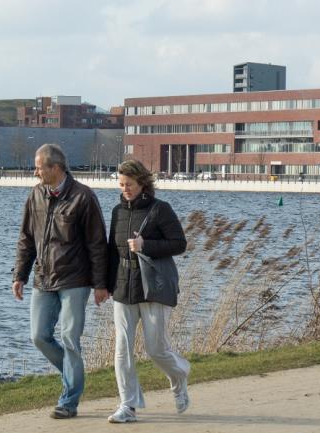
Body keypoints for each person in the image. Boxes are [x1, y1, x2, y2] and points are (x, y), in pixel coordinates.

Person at [12, 143, 109, 419]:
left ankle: (69, 401)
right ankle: (74, 373)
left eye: (39, 167)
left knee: (69, 338)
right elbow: (26, 239)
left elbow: (97, 244)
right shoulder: (35, 195)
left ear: (55, 168)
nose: (35, 172)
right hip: (43, 279)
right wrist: (20, 275)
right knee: (39, 337)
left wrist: (100, 284)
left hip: (75, 280)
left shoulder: (83, 197)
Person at [106, 159, 190, 423]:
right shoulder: (117, 211)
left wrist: (146, 245)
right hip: (123, 286)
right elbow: (111, 251)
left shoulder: (160, 209)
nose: (125, 189)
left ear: (143, 183)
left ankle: (179, 376)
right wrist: (104, 285)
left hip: (152, 285)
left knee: (156, 349)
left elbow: (179, 244)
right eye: (121, 185)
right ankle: (128, 405)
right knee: (122, 348)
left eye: (129, 184)